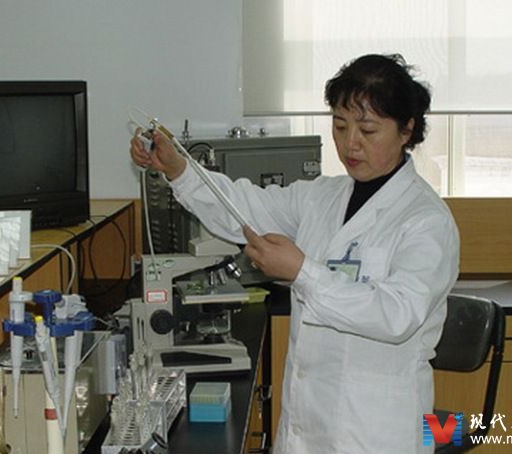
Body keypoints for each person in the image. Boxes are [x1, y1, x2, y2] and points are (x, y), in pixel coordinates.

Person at [130, 53, 459, 454]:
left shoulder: (425, 220)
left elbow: (397, 314)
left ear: (406, 130)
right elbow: (243, 210)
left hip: (374, 431)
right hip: (307, 426)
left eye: (368, 130)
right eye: (340, 125)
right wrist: (179, 170)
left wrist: (303, 272)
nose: (350, 143)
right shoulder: (323, 196)